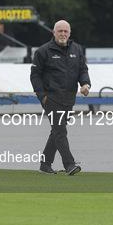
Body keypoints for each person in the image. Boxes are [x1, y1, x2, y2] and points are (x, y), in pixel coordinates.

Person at [30, 20, 90, 176]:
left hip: (69, 98)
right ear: (53, 32)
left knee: (56, 132)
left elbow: (83, 70)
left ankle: (45, 164)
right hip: (51, 98)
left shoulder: (77, 49)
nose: (63, 34)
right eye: (60, 31)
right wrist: (42, 96)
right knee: (60, 132)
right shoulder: (43, 51)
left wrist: (85, 84)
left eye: (65, 31)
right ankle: (69, 164)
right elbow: (35, 75)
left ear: (69, 33)